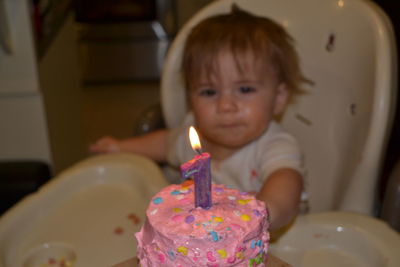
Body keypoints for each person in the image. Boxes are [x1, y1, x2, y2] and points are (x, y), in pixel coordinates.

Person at [90, 5, 311, 231]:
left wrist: (263, 213)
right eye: (209, 92)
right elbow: (164, 143)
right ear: (190, 98)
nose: (225, 105)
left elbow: (286, 186)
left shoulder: (275, 146)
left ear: (279, 98)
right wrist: (119, 146)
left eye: (245, 90)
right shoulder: (194, 133)